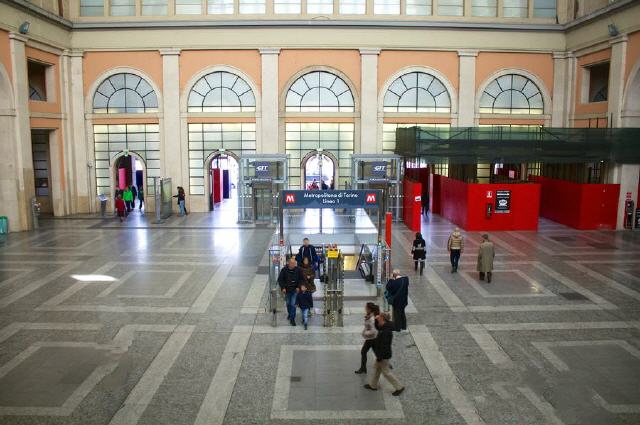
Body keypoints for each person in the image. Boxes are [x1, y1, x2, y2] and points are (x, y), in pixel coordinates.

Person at [363, 312, 405, 396]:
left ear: (383, 318)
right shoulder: (384, 326)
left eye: (380, 317)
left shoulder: (386, 331)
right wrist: (375, 319)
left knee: (386, 372)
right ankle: (373, 385)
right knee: (376, 369)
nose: (378, 317)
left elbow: (384, 346)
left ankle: (399, 387)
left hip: (383, 355)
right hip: (381, 354)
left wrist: (380, 357)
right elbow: (378, 326)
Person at [355, 302, 380, 374]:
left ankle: (363, 368)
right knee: (376, 353)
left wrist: (365, 333)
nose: (365, 309)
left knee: (364, 351)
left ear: (369, 309)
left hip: (372, 339)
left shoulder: (372, 318)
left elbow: (373, 331)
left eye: (366, 308)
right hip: (371, 338)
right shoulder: (369, 316)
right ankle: (363, 368)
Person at [277, 257, 303, 326]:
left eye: (294, 263)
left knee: (293, 304)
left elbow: (301, 279)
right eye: (292, 263)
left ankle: (292, 319)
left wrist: (298, 287)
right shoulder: (284, 270)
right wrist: (283, 288)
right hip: (287, 290)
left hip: (295, 290)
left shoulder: (298, 270)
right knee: (288, 304)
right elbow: (280, 280)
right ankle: (290, 314)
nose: (293, 264)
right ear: (289, 263)